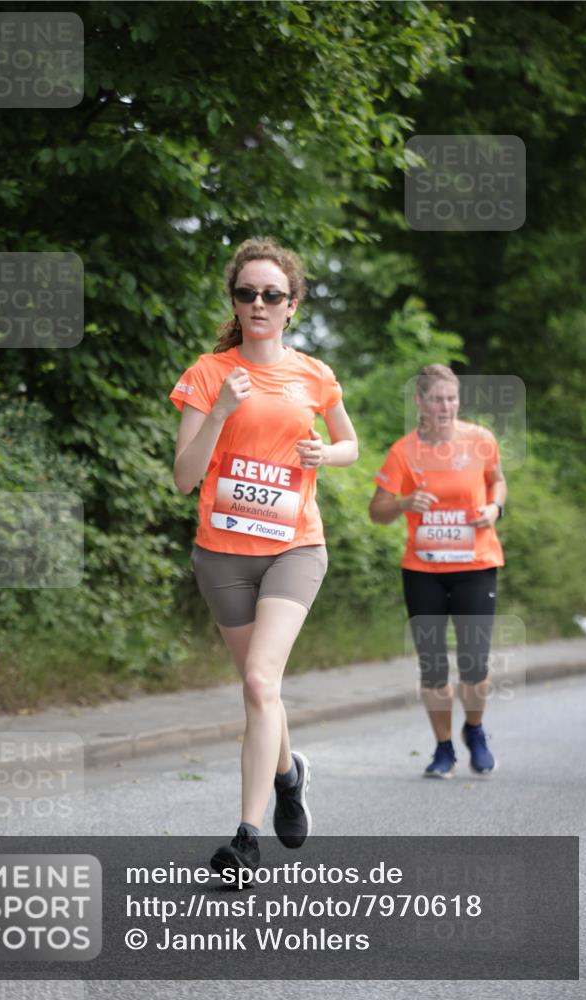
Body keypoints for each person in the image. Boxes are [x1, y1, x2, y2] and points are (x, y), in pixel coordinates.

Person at [170, 237, 358, 876]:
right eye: (246, 293)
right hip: (221, 554)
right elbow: (183, 476)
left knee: (258, 681)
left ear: (292, 305)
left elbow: (350, 445)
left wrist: (323, 456)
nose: (258, 303)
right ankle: (289, 771)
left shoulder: (314, 374)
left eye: (271, 294)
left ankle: (245, 838)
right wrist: (221, 409)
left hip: (294, 547)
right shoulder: (207, 373)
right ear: (235, 301)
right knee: (260, 691)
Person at [369, 364, 506, 778]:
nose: (445, 406)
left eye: (452, 398)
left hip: (476, 565)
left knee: (475, 664)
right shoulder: (402, 451)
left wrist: (494, 508)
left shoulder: (480, 440)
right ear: (420, 402)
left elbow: (497, 481)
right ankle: (443, 748)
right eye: (437, 399)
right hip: (423, 569)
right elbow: (377, 511)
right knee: (432, 665)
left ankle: (476, 731)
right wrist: (404, 504)